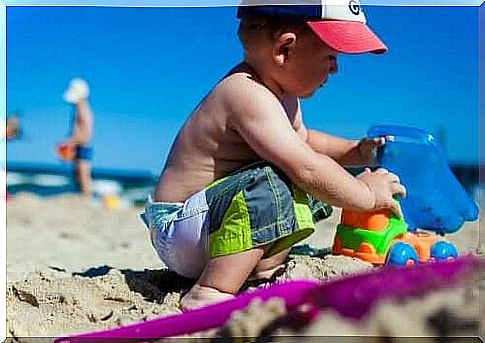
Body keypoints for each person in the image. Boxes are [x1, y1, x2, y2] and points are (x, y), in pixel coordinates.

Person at [141, 0, 406, 311]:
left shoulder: (283, 96)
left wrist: (355, 151)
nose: (335, 68)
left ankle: (257, 267)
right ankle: (211, 290)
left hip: (210, 225)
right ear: (285, 50)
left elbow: (305, 141)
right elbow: (306, 166)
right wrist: (367, 195)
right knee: (290, 176)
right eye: (330, 56)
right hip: (181, 229)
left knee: (315, 171)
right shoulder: (246, 93)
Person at [60, 78, 93, 196]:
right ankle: (82, 194)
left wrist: (70, 141)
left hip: (82, 144)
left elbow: (85, 133)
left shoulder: (83, 109)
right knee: (77, 173)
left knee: (83, 173)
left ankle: (86, 196)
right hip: (78, 144)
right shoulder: (79, 108)